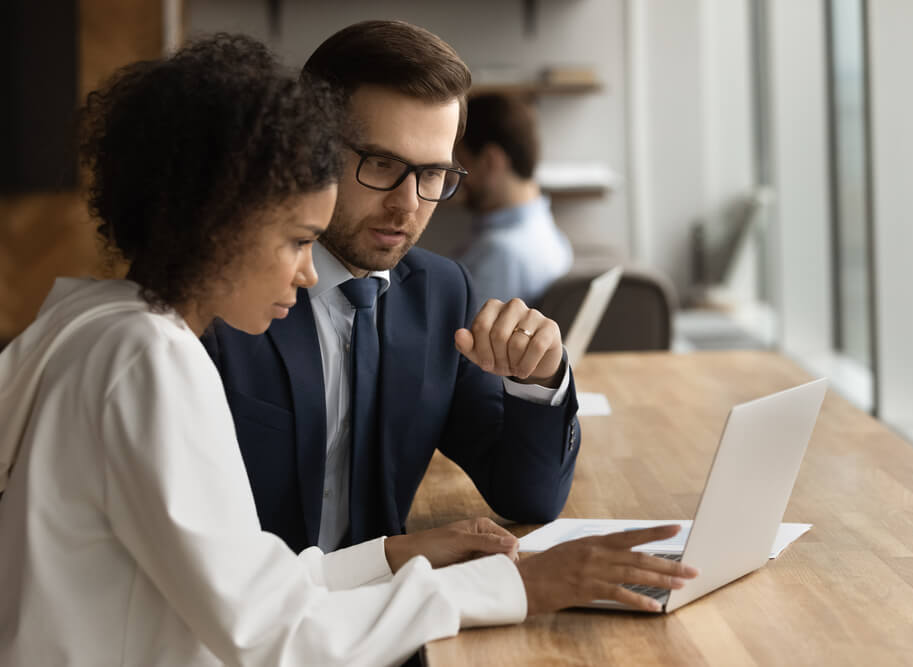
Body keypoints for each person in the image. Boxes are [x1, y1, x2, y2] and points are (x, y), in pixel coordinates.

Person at [0, 35, 698, 665]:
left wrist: (391, 556)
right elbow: (271, 633)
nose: (308, 273)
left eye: (433, 175)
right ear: (214, 222)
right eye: (297, 239)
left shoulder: (100, 324)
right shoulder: (150, 361)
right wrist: (518, 584)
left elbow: (246, 580)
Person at [204, 20, 582, 554]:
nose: (408, 204)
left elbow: (529, 496)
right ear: (309, 148)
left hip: (388, 613)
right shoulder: (223, 296)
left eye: (433, 174)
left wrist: (539, 379)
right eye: (382, 164)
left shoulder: (443, 292)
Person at [455, 92, 573, 305]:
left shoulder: (498, 255)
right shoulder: (552, 236)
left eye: (462, 163)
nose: (459, 179)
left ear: (490, 160)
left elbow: (456, 336)